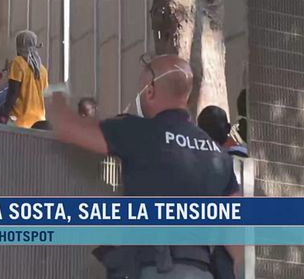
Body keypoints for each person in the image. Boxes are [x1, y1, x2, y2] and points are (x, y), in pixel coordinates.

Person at [47, 54, 241, 279]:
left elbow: (68, 128)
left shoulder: (138, 132)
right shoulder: (217, 154)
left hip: (155, 268)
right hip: (202, 271)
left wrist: (55, 96)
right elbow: (237, 239)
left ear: (150, 92)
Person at [1, 30, 49, 129]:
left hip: (19, 119)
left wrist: (4, 112)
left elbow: (13, 92)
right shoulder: (43, 70)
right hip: (39, 120)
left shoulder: (18, 62)